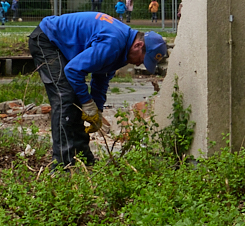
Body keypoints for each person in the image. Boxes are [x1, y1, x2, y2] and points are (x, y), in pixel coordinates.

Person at [28, 12, 168, 168]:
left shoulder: (123, 48)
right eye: (142, 60)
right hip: (48, 40)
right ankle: (62, 166)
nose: (138, 65)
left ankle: (84, 160)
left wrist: (97, 110)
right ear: (138, 45)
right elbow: (73, 70)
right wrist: (88, 103)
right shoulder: (114, 43)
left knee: (76, 97)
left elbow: (101, 78)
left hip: (62, 45)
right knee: (65, 98)